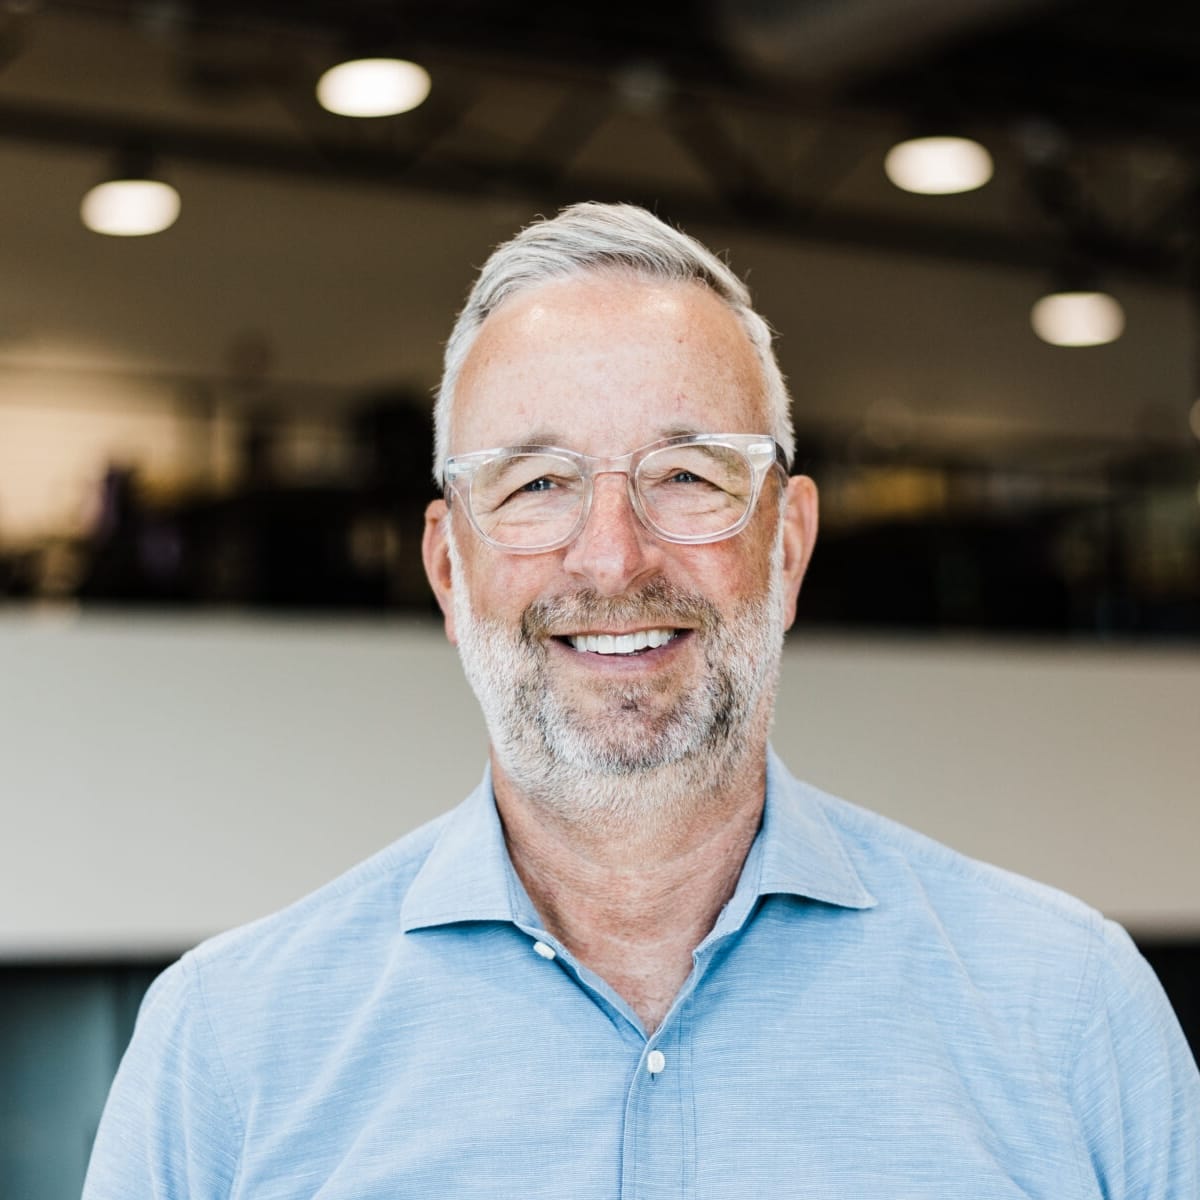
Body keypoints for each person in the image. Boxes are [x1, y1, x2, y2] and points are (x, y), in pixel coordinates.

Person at [84, 203, 1198, 1199]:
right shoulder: (224, 1052)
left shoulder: (1070, 1013)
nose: (612, 561)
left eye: (687, 475)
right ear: (447, 570)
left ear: (790, 547)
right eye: (535, 485)